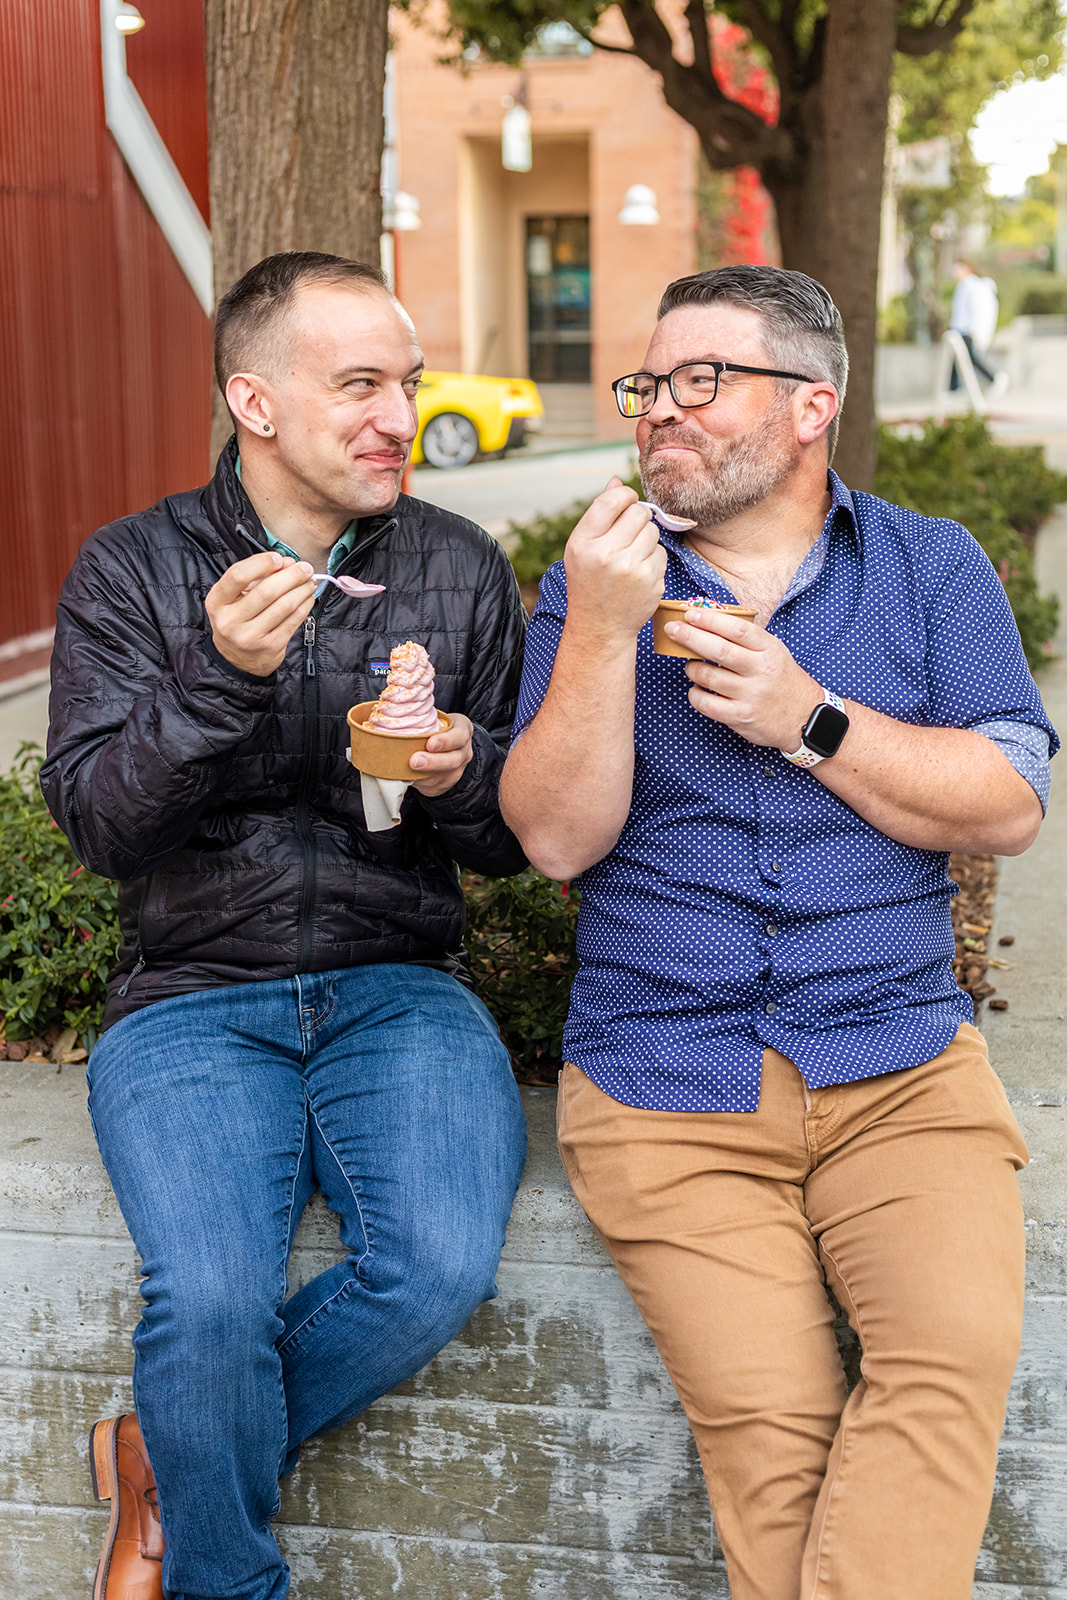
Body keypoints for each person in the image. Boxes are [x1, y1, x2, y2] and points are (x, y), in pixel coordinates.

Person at [500, 264, 1056, 1600]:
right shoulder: (597, 584)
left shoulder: (925, 568)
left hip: (900, 1071)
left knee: (944, 1367)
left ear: (808, 407)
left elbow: (1007, 801)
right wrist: (600, 636)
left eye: (703, 382)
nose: (658, 414)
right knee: (778, 1445)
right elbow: (554, 840)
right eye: (648, 387)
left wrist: (807, 716)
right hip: (663, 1087)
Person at [42, 251, 528, 1600]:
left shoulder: (458, 566)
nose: (398, 415)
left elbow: (512, 844)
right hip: (192, 994)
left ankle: (168, 1450)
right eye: (359, 384)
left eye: (408, 384)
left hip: (397, 984)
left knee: (431, 1272)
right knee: (206, 1305)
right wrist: (215, 680)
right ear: (256, 405)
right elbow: (98, 831)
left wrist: (461, 771)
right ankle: (222, 1572)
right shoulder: (134, 569)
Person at [949, 258, 1004, 392]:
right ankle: (953, 387)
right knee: (957, 358)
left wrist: (975, 329)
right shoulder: (964, 285)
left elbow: (977, 309)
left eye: (958, 268)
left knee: (970, 358)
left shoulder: (971, 285)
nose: (954, 272)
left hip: (967, 330)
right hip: (960, 329)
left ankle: (995, 378)